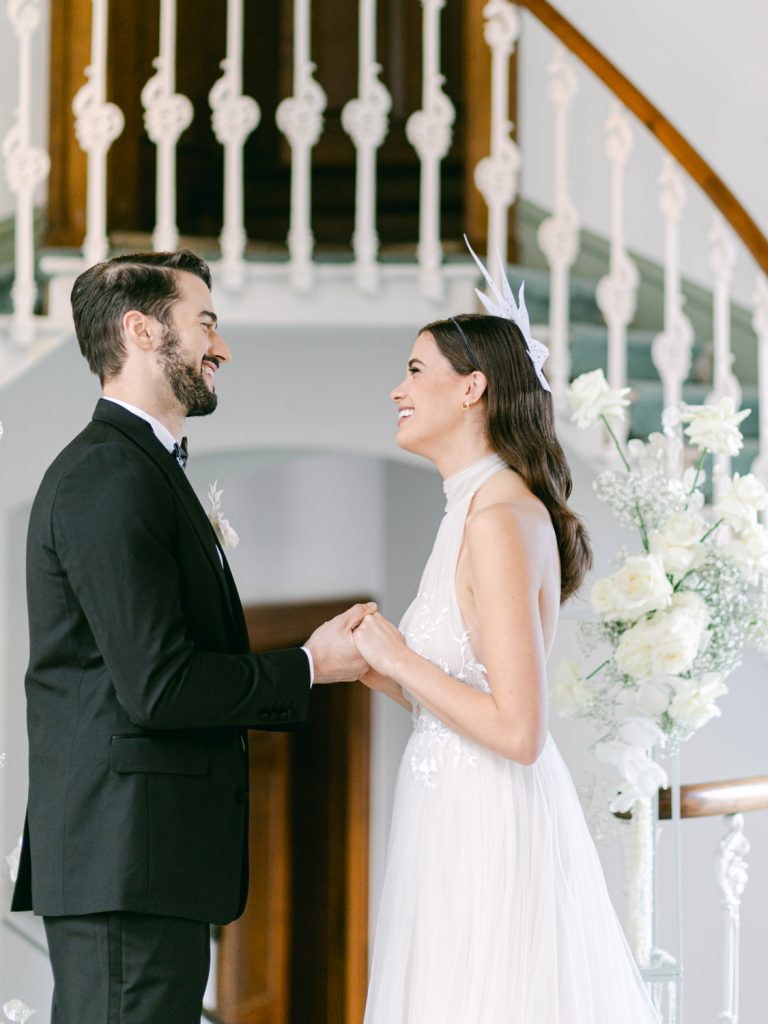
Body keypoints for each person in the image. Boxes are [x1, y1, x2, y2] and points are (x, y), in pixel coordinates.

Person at [10, 249, 372, 1024]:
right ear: (142, 332)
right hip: (125, 863)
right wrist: (309, 665)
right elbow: (161, 686)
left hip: (143, 865)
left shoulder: (141, 468)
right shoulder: (108, 473)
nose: (223, 347)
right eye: (205, 322)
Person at [352, 252, 661, 1022]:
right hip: (450, 810)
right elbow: (468, 698)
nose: (397, 388)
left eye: (415, 369)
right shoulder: (469, 507)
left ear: (471, 389)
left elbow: (519, 730)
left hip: (486, 823)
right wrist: (380, 672)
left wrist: (398, 658)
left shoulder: (496, 517)